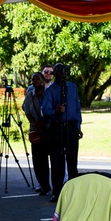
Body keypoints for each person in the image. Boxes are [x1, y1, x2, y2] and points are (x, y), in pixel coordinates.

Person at [42, 63, 83, 202]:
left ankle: (74, 191)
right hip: (57, 128)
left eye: (64, 73)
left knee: (72, 160)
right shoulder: (50, 91)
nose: (62, 76)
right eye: (59, 73)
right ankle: (57, 191)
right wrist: (56, 110)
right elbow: (45, 110)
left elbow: (77, 108)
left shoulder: (72, 87)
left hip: (71, 128)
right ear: (55, 74)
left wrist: (78, 125)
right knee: (57, 160)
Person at [23, 72, 51, 196]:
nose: (36, 82)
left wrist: (45, 122)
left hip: (49, 129)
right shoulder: (30, 95)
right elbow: (27, 111)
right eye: (33, 80)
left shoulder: (49, 93)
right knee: (38, 160)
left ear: (43, 79)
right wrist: (34, 123)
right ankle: (44, 185)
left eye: (38, 79)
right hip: (37, 130)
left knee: (54, 158)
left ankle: (57, 185)